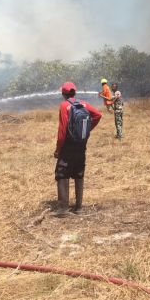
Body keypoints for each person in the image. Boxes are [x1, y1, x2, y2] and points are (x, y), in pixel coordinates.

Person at [54, 82, 102, 216]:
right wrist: (86, 130)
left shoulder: (64, 106)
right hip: (81, 143)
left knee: (62, 173)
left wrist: (58, 149)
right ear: (75, 92)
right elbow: (98, 115)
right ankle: (79, 208)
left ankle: (63, 209)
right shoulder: (84, 104)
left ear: (63, 93)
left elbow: (62, 131)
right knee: (78, 172)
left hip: (68, 145)